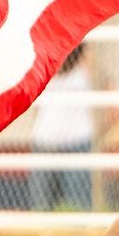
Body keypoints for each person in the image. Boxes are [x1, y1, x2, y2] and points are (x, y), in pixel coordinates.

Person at [30, 42, 97, 211]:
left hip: (78, 142)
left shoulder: (83, 64)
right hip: (45, 141)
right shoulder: (45, 64)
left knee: (78, 203)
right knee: (41, 204)